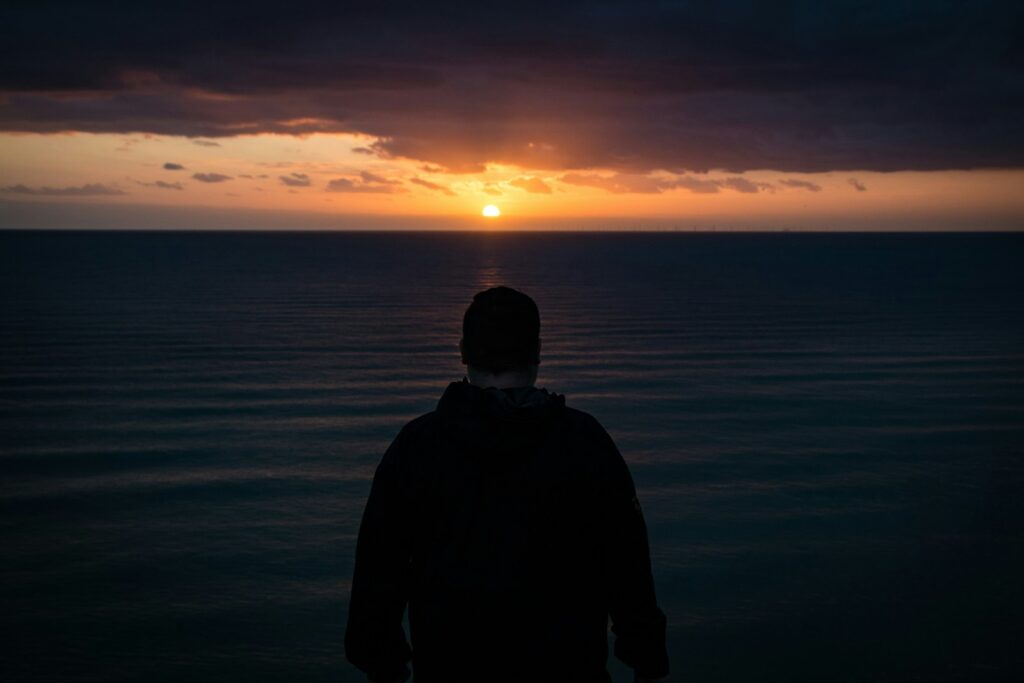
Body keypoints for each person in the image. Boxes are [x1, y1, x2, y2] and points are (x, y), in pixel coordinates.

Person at [345, 286, 669, 682]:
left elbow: (378, 574)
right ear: (536, 352)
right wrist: (647, 658)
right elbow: (627, 565)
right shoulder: (585, 442)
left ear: (463, 351)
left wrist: (384, 664)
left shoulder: (417, 447)